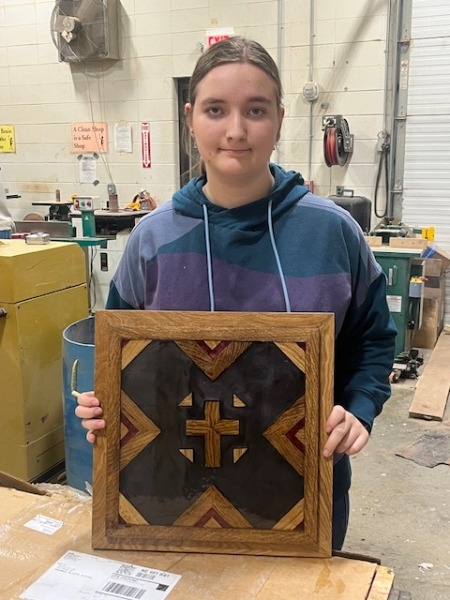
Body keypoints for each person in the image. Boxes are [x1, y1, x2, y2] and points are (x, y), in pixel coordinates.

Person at [75, 36, 397, 551]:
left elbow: (373, 340)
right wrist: (106, 406)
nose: (236, 130)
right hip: (171, 497)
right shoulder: (152, 241)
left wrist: (358, 408)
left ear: (280, 119)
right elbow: (121, 362)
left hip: (304, 495)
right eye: (215, 109)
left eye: (256, 110)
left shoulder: (333, 234)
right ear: (190, 118)